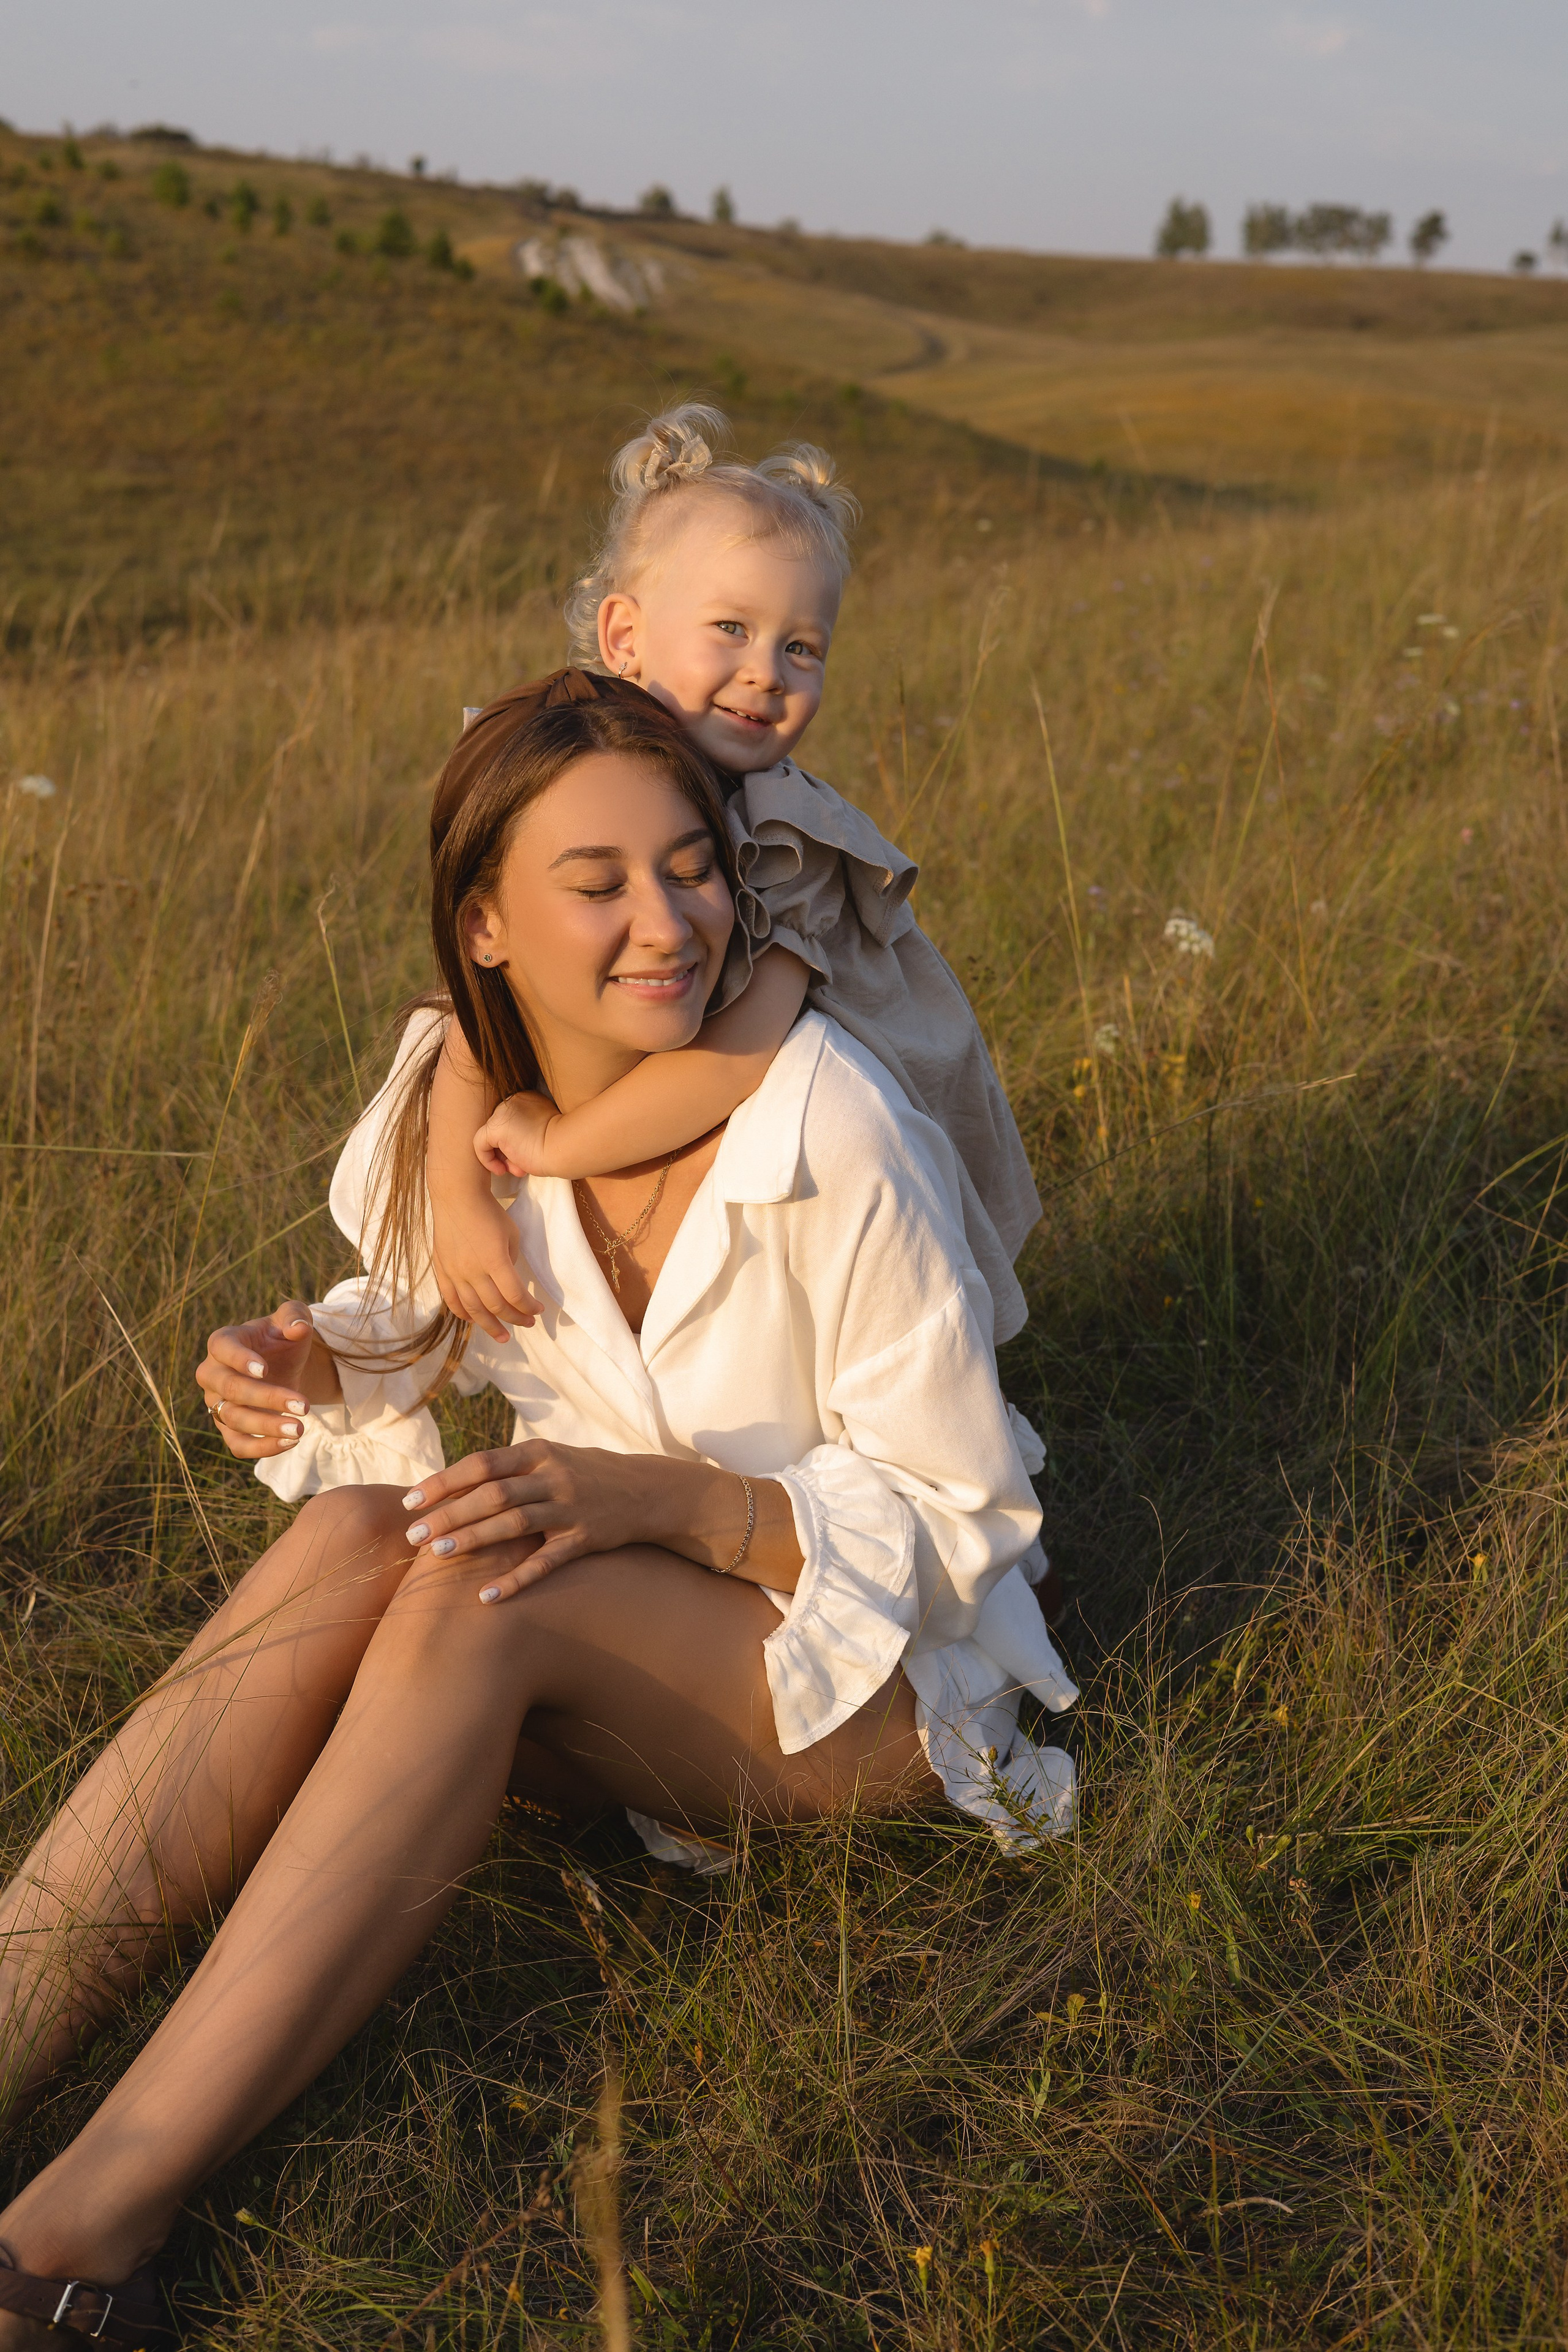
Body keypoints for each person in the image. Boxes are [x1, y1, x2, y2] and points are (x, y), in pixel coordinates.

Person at [0, 689, 1072, 2350]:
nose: (671, 925)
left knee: (491, 1586)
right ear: (485, 927)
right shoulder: (464, 1120)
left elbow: (966, 1526)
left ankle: (79, 2233)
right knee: (359, 1544)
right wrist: (299, 1369)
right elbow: (424, 1326)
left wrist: (672, 1504)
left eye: (693, 868)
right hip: (615, 1634)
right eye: (600, 883)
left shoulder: (831, 1126)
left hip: (878, 1699)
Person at [424, 403, 1042, 1355]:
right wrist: (455, 1188)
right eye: (731, 628)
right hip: (688, 1066)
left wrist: (559, 1148)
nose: (767, 675)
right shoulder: (571, 767)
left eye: (802, 647)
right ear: (624, 635)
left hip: (859, 1104)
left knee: (881, 1310)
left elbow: (745, 1050)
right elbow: (478, 1003)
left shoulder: (788, 835)